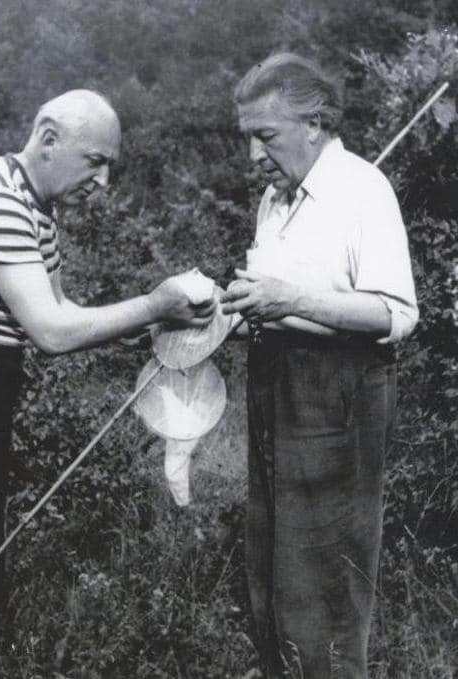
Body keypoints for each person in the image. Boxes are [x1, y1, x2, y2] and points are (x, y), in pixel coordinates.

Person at [0, 89, 215, 678]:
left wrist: (153, 322)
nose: (103, 181)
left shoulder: (38, 210)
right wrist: (154, 304)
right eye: (96, 161)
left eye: (110, 166)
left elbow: (58, 309)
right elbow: (53, 332)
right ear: (48, 138)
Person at [221, 54, 418, 678]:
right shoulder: (275, 202)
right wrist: (226, 311)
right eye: (248, 138)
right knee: (273, 565)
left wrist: (291, 300)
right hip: (274, 382)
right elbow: (274, 303)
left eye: (265, 137)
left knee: (326, 576)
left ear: (315, 123)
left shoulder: (363, 190)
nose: (254, 156)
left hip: (339, 394)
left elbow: (396, 313)